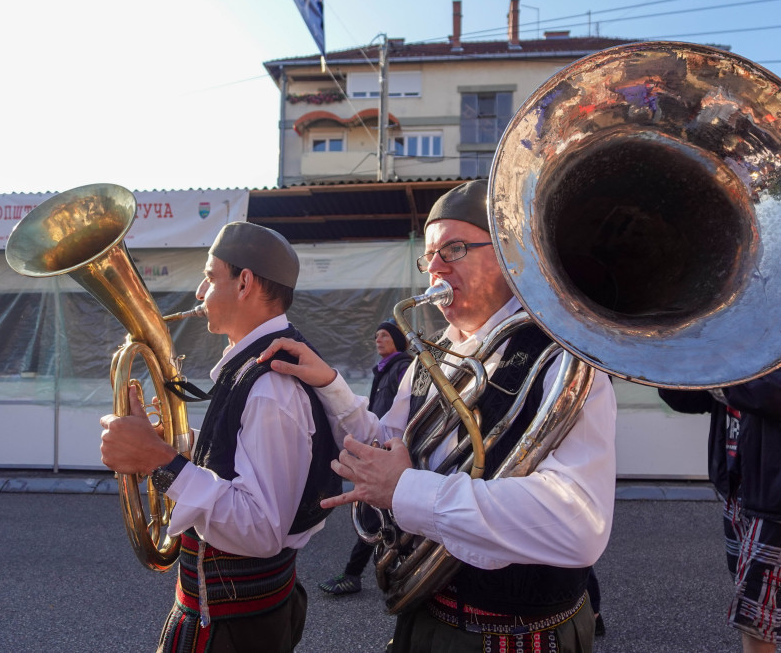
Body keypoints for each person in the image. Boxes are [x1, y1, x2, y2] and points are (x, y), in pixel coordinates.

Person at [260, 179, 618, 652]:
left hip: (524, 637)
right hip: (426, 618)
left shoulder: (564, 363)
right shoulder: (433, 359)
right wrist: (331, 385)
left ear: (511, 256)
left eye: (454, 249)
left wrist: (408, 491)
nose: (434, 268)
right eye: (428, 255)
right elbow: (390, 448)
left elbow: (577, 527)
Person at [99, 222, 340, 652]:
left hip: (232, 628)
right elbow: (239, 455)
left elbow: (261, 530)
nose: (198, 292)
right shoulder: (256, 365)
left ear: (244, 282)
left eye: (210, 277)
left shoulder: (271, 386)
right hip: (233, 616)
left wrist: (160, 461)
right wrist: (174, 443)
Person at [659, 334, 781, 653]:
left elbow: (778, 398)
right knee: (757, 581)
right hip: (740, 486)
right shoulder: (739, 347)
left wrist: (713, 371)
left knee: (755, 605)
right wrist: (667, 365)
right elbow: (691, 400)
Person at [318, 320, 412, 596]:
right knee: (381, 516)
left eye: (384, 335)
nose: (378, 340)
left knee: (373, 517)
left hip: (395, 453)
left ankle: (354, 575)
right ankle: (389, 573)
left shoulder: (403, 368)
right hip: (381, 449)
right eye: (376, 335)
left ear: (398, 340)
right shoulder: (384, 370)